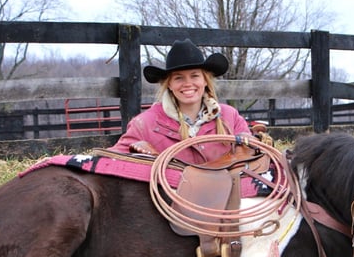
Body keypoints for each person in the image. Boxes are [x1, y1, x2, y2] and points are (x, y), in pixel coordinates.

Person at [108, 38, 259, 165]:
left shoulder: (229, 116)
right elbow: (112, 159)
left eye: (194, 76)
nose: (188, 84)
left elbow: (249, 149)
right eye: (179, 78)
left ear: (205, 80)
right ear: (169, 84)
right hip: (167, 197)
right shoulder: (144, 124)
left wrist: (252, 140)